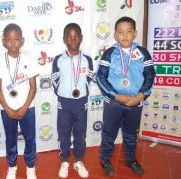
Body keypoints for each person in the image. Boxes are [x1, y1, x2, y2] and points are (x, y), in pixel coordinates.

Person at [97, 16, 156, 177]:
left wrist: (141, 95)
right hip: (114, 103)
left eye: (128, 32)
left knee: (131, 134)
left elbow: (150, 76)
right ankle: (105, 159)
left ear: (135, 33)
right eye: (120, 32)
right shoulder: (109, 54)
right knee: (109, 134)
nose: (125, 36)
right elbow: (100, 77)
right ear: (115, 35)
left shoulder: (143, 53)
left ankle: (130, 159)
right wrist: (116, 96)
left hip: (135, 103)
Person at [0, 23, 38, 179]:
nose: (13, 44)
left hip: (27, 108)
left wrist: (24, 108)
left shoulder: (29, 60)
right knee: (10, 139)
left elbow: (33, 87)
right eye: (9, 40)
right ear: (4, 41)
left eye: (16, 40)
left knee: (30, 138)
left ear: (22, 41)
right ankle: (12, 166)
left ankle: (30, 166)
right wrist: (7, 108)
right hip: (7, 109)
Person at [52, 23, 94, 179]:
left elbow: (89, 77)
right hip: (64, 101)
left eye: (76, 36)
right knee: (63, 131)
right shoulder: (59, 59)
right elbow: (54, 78)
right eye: (69, 37)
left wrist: (82, 91)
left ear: (81, 38)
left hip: (80, 101)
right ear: (64, 39)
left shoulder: (87, 59)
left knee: (80, 132)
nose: (73, 40)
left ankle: (78, 160)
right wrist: (62, 92)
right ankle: (64, 160)